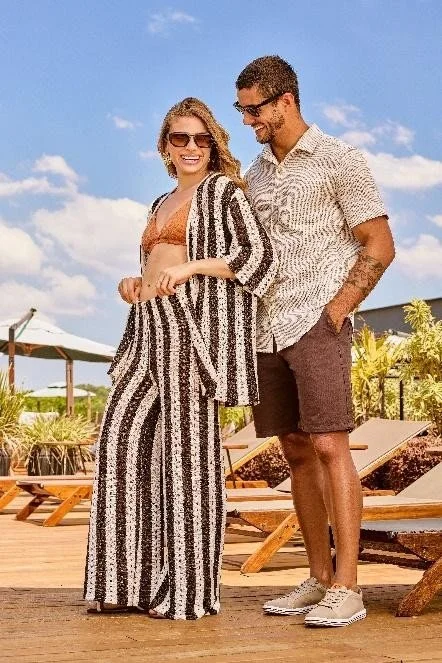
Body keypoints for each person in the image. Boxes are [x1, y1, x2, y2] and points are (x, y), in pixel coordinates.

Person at [84, 97, 277, 620]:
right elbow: (155, 262)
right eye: (180, 138)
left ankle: (190, 592)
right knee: (121, 443)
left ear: (213, 145)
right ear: (165, 147)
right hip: (146, 326)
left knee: (189, 463)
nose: (191, 147)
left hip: (191, 331)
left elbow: (258, 257)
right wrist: (135, 281)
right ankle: (126, 583)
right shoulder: (160, 201)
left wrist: (192, 268)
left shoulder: (223, 192)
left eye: (200, 139)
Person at [234, 56, 395, 627]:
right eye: (241, 110)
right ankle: (319, 577)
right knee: (296, 450)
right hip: (267, 326)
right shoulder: (254, 175)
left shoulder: (339, 158)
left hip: (316, 320)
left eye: (255, 109)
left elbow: (379, 243)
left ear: (286, 101)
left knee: (330, 445)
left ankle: (349, 587)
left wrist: (337, 309)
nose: (248, 120)